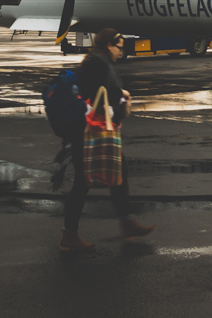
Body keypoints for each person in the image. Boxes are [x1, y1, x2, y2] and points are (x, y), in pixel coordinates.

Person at [60, 28, 155, 254]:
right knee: (83, 182)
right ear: (108, 45)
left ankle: (126, 223)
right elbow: (96, 93)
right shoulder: (96, 64)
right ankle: (69, 236)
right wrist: (122, 94)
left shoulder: (97, 61)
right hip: (89, 131)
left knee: (117, 171)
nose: (121, 52)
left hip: (89, 129)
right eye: (119, 47)